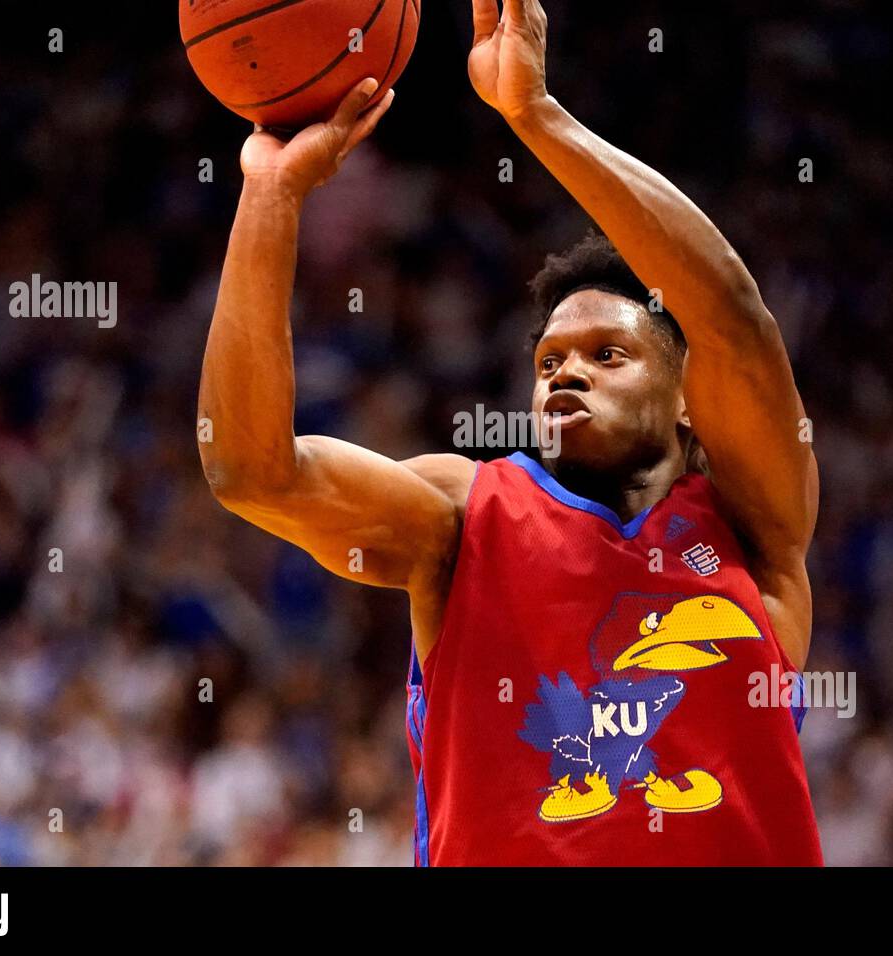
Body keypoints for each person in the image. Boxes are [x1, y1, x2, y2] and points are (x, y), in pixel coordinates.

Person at [198, 0, 822, 865]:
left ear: (687, 399)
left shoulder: (756, 532)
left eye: (608, 354)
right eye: (550, 361)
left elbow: (734, 320)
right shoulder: (466, 513)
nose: (566, 373)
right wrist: (270, 194)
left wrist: (535, 115)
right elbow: (251, 470)